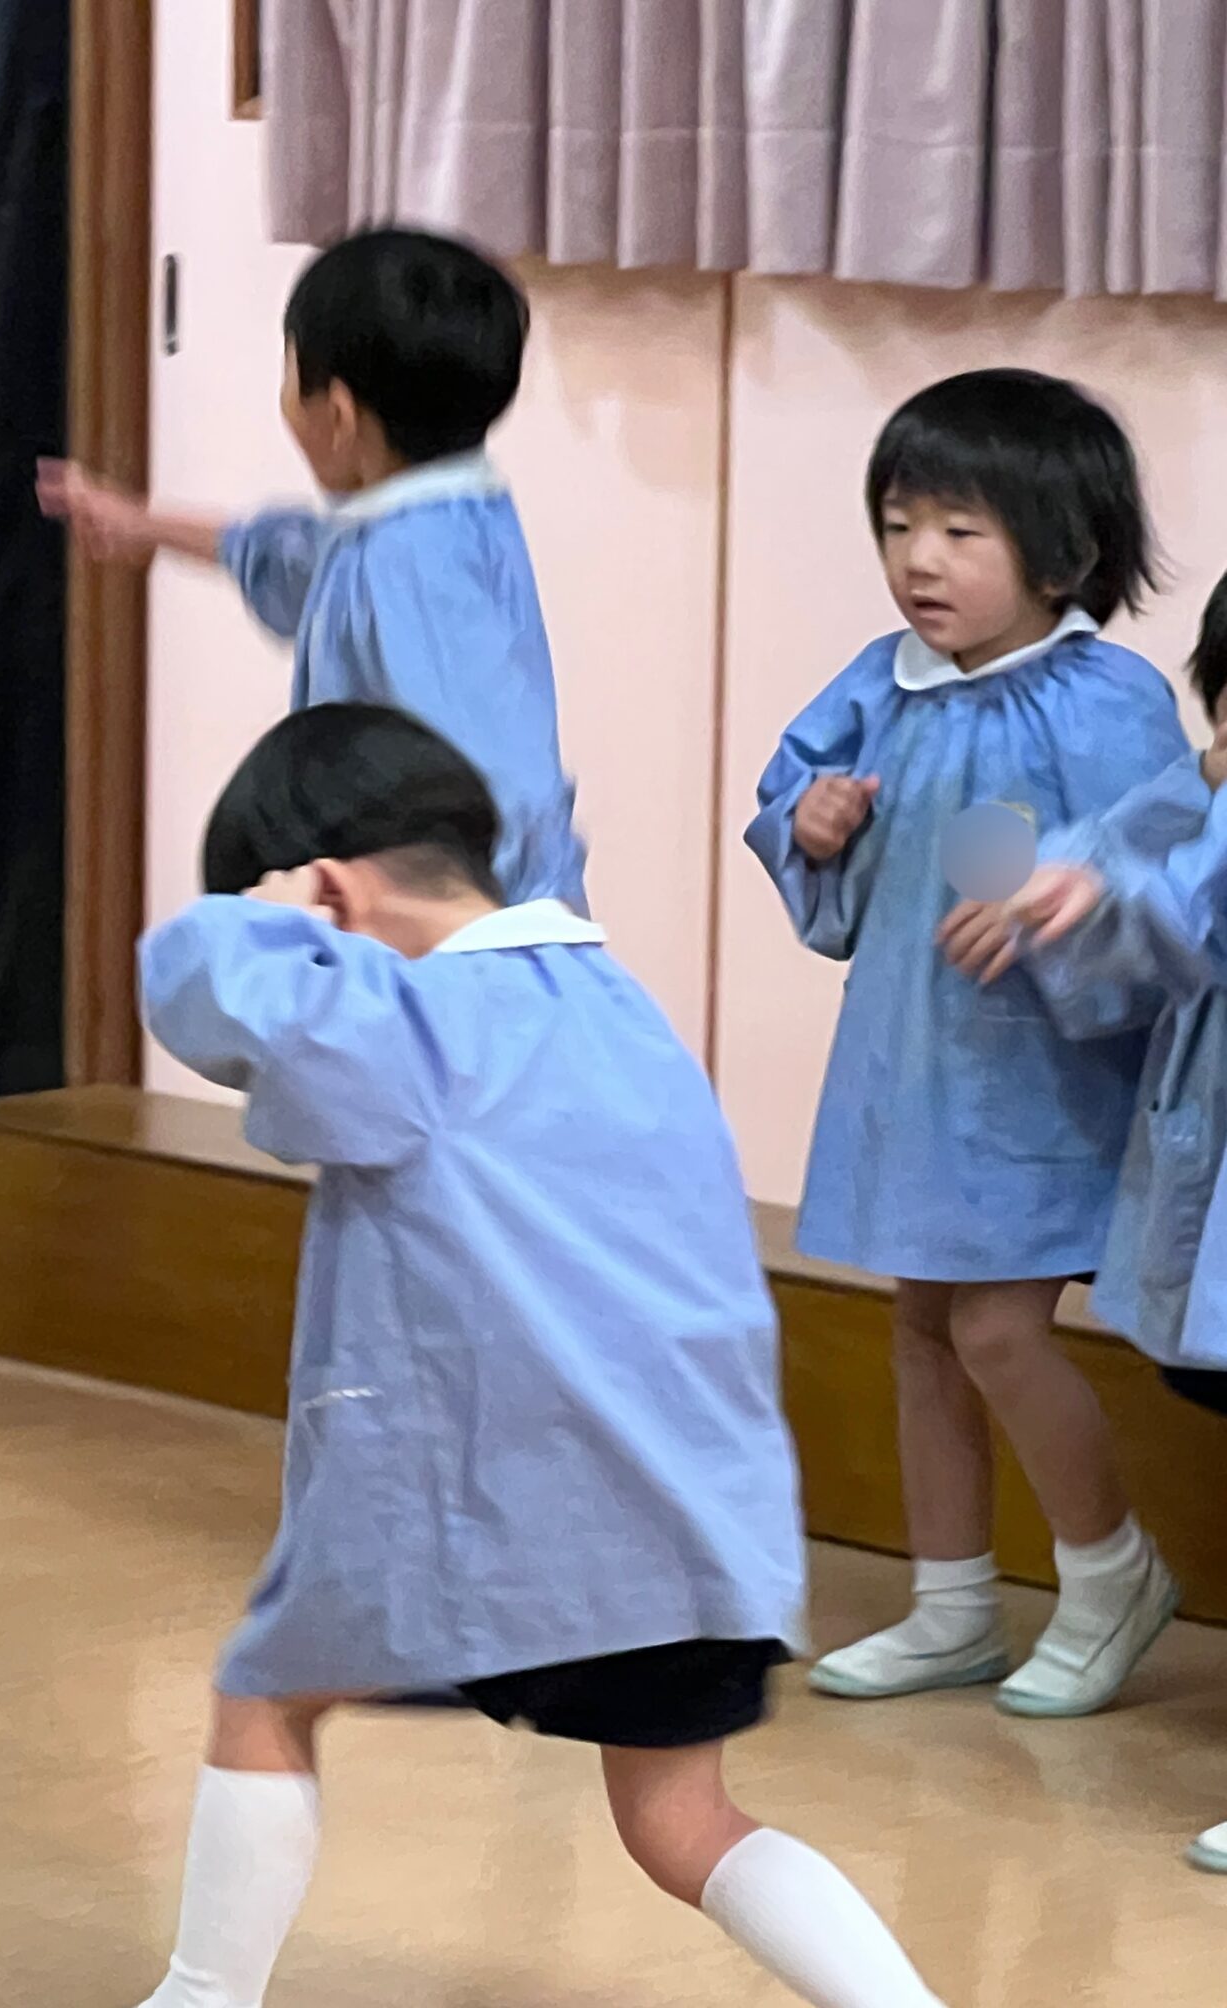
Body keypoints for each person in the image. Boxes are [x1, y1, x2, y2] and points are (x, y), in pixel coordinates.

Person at [134, 704, 940, 2008]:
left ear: (332, 892)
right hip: (698, 1525)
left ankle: (201, 1998)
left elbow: (201, 986)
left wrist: (255, 918)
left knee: (268, 1694)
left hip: (512, 1521)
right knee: (682, 1822)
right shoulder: (613, 1004)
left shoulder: (412, 1022)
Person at [749, 368, 1188, 1717]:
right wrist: (810, 820)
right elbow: (793, 788)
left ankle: (1109, 1573)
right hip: (913, 1061)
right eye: (897, 525)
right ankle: (952, 1604)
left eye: (958, 530)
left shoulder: (1107, 699)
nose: (917, 561)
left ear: (1061, 551)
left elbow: (1165, 858)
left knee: (1000, 1328)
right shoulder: (883, 685)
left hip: (1041, 1080)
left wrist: (1065, 896)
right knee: (924, 1329)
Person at [940, 567, 1227, 1872]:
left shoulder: (1111, 707)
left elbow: (1178, 901)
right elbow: (1130, 861)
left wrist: (1118, 896)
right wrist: (1072, 887)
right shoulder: (1200, 786)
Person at [38, 226, 585, 909]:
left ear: (339, 418)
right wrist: (142, 524)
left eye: (290, 375)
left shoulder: (411, 571)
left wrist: (476, 946)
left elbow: (495, 793)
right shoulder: (436, 512)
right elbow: (293, 557)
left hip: (455, 945)